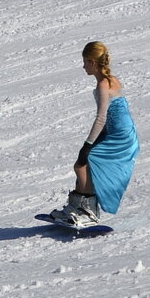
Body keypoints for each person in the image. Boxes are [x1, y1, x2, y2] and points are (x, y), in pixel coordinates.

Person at [49, 41, 140, 227]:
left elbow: (101, 117)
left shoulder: (103, 85)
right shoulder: (110, 80)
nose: (83, 66)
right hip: (117, 131)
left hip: (120, 135)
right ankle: (77, 208)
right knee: (83, 165)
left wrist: (88, 144)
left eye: (84, 62)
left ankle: (88, 212)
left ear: (92, 62)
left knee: (83, 164)